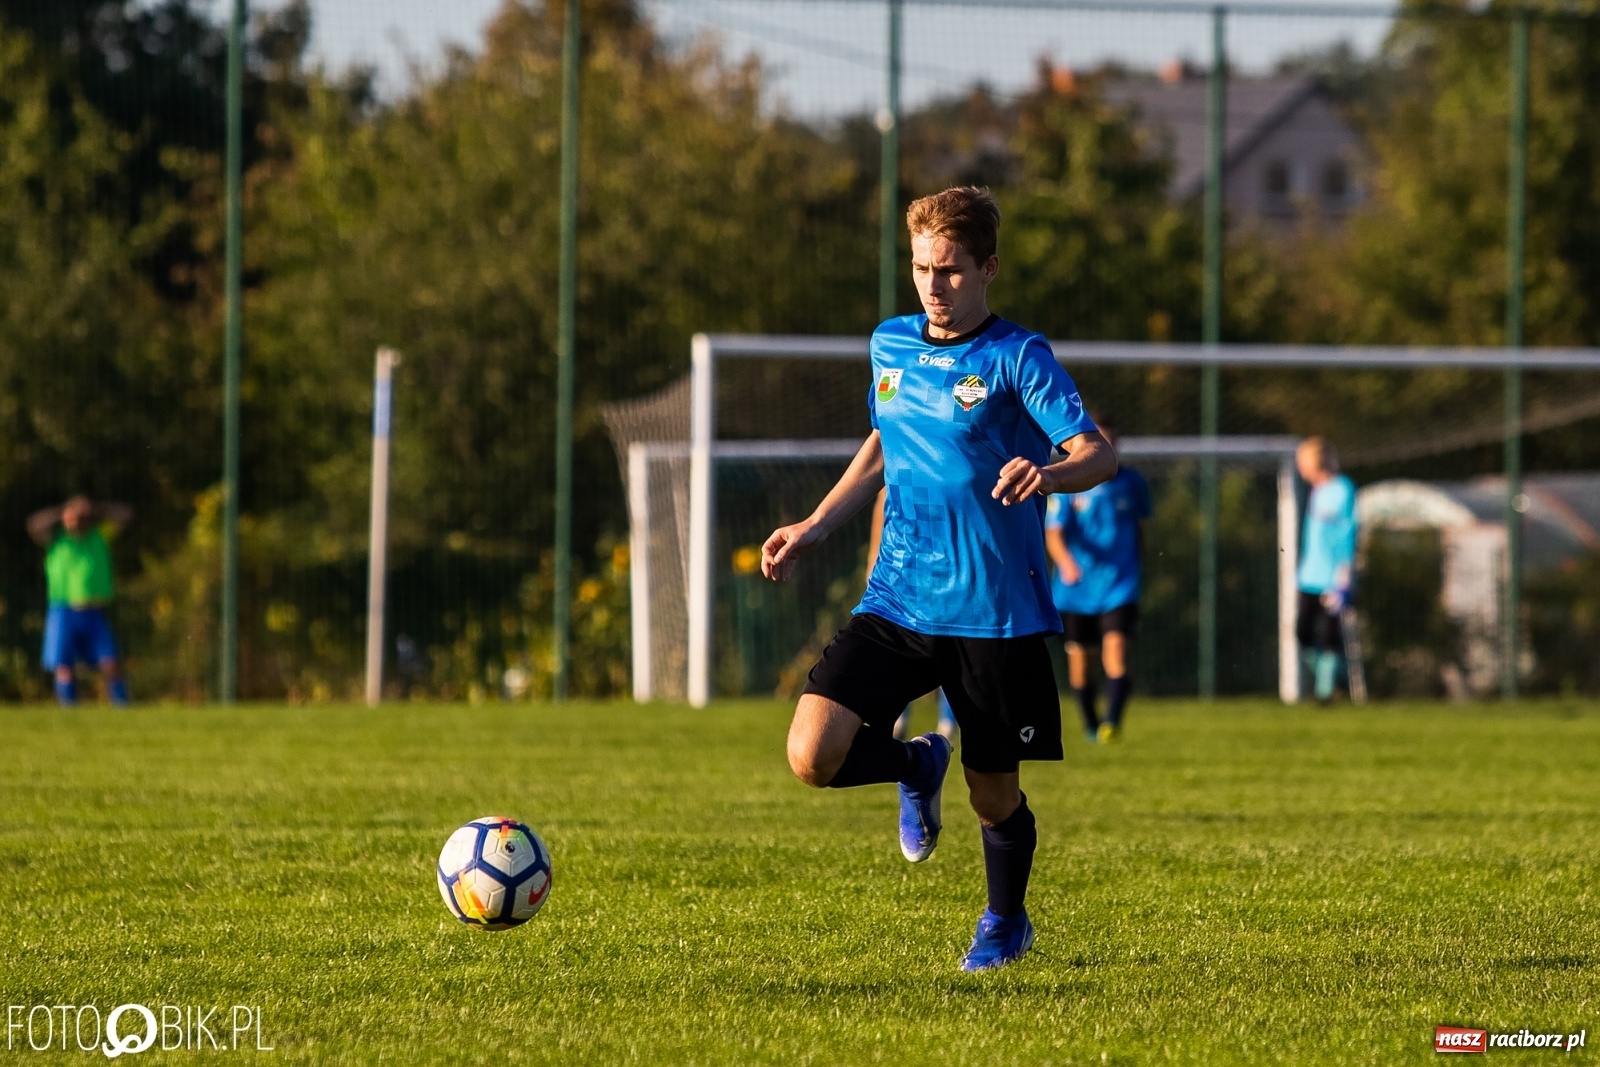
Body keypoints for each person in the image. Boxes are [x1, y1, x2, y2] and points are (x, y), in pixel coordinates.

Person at [761, 187, 1116, 971]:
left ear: (988, 268)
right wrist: (815, 523)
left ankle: (1005, 921)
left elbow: (1098, 451)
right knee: (811, 753)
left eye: (950, 270)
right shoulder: (889, 344)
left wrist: (1052, 473)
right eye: (921, 268)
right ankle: (917, 762)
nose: (933, 285)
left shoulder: (1018, 356)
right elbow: (883, 439)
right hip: (898, 597)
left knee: (993, 796)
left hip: (994, 611)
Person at [1043, 416, 1150, 743]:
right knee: (1081, 662)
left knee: (1116, 651)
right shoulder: (1066, 482)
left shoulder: (1132, 483)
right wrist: (1067, 563)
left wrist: (1140, 563)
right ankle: (1091, 725)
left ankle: (1112, 723)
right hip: (1076, 588)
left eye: (1112, 441)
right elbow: (1054, 533)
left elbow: (1140, 528)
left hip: (1119, 583)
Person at [867, 488, 958, 743]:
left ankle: (948, 723)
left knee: (952, 648)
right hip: (904, 575)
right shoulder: (898, 475)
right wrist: (873, 560)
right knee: (899, 646)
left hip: (947, 573)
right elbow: (883, 503)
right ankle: (899, 717)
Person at [27, 495, 133, 707]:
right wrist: (63, 511)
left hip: (94, 611)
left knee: (109, 662)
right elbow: (33, 524)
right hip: (63, 609)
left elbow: (125, 515)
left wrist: (94, 509)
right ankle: (69, 708)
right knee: (64, 665)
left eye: (82, 518)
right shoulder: (56, 539)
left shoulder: (99, 535)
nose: (78, 522)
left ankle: (122, 705)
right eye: (74, 518)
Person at [1294, 436, 1357, 704]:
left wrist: (1345, 573)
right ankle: (1333, 676)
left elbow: (1346, 533)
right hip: (1309, 576)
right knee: (1303, 633)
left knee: (1330, 634)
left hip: (1333, 577)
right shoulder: (1316, 492)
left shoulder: (1341, 489)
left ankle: (1326, 691)